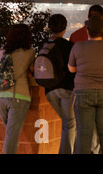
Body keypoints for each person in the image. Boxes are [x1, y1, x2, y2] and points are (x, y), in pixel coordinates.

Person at [68, 16, 103, 154]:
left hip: (83, 91)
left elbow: (71, 69)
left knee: (84, 134)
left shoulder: (78, 46)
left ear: (87, 31)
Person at [0, 24, 35, 154]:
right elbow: (33, 71)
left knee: (11, 136)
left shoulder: (2, 51)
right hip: (18, 97)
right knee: (11, 137)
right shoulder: (29, 52)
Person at [43, 14, 76, 154]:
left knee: (68, 123)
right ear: (64, 28)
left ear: (50, 27)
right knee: (70, 124)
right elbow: (74, 67)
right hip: (67, 89)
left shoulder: (43, 44)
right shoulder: (69, 46)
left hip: (49, 90)